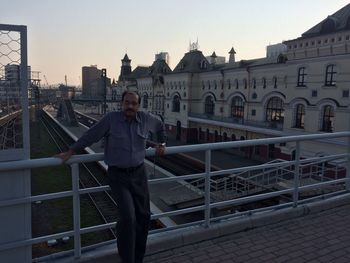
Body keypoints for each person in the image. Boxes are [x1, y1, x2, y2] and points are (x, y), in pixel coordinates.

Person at [57, 91, 166, 263]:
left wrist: (162, 143)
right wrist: (72, 150)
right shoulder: (111, 119)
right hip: (118, 176)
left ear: (138, 105)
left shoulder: (146, 119)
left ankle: (138, 258)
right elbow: (91, 135)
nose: (130, 106)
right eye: (127, 103)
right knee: (128, 218)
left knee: (144, 216)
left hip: (139, 174)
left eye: (134, 103)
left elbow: (160, 126)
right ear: (121, 103)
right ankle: (127, 259)